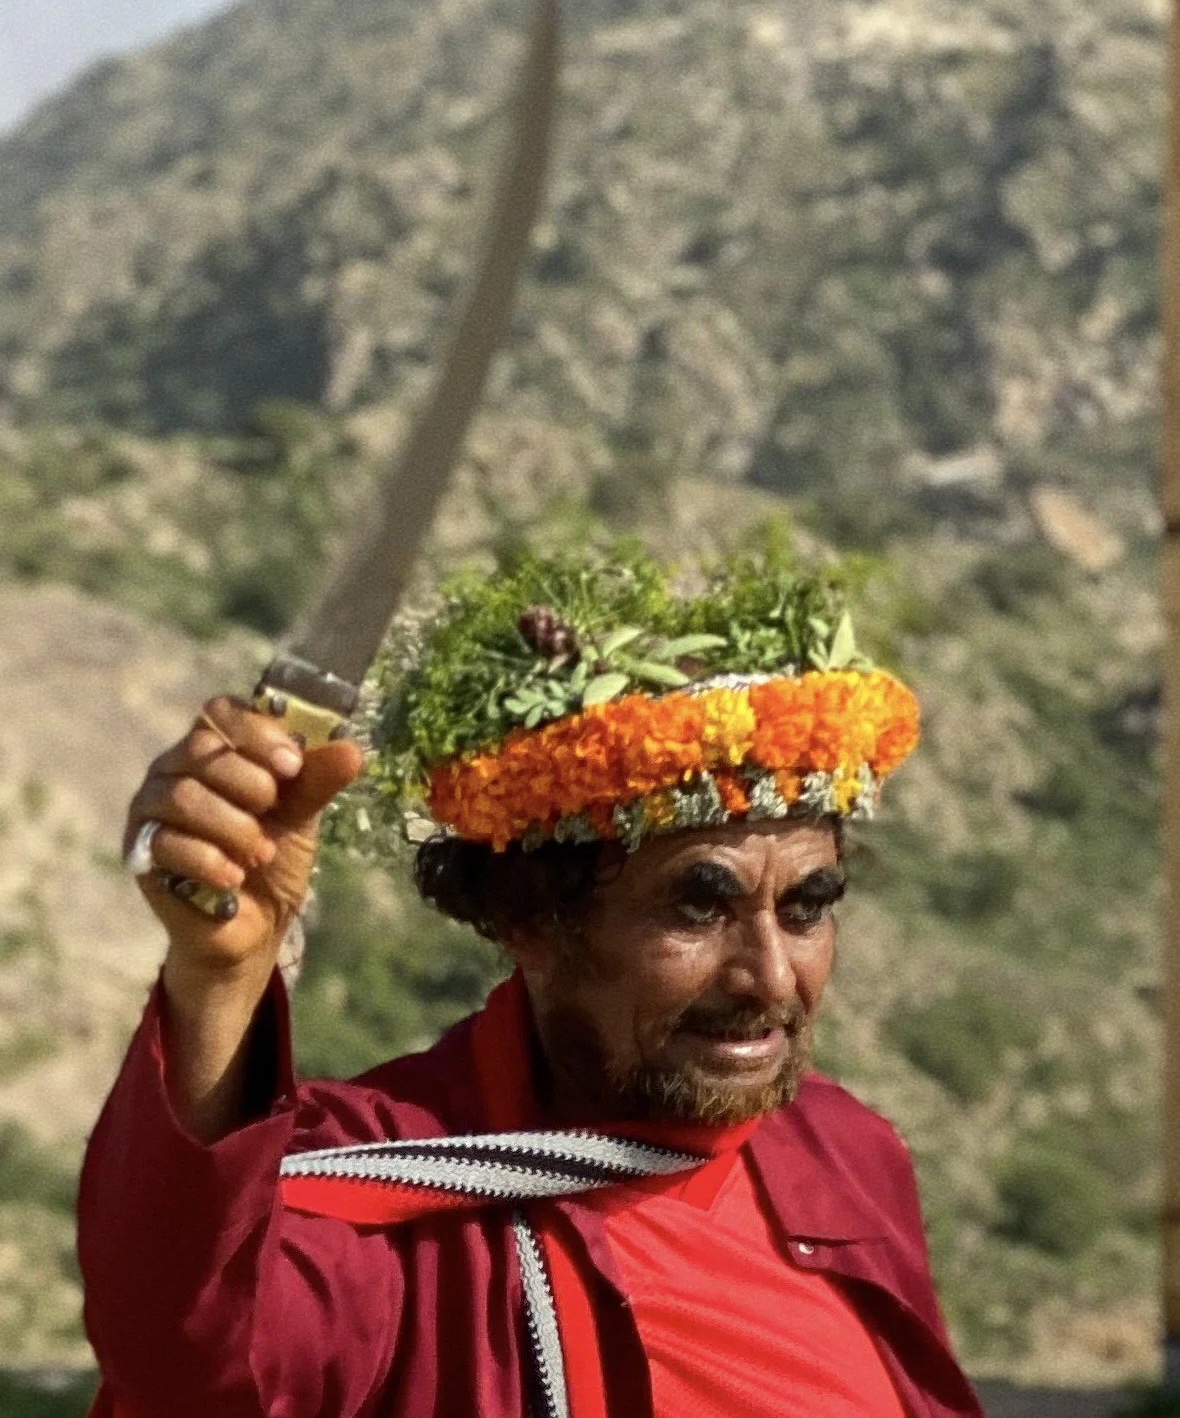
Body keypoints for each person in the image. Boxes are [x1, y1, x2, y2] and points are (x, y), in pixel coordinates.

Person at [79, 544, 985, 1417]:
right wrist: (221, 978)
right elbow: (188, 1360)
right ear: (531, 920)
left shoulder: (844, 1150)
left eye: (806, 906)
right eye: (698, 909)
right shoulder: (383, 1201)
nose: (770, 975)